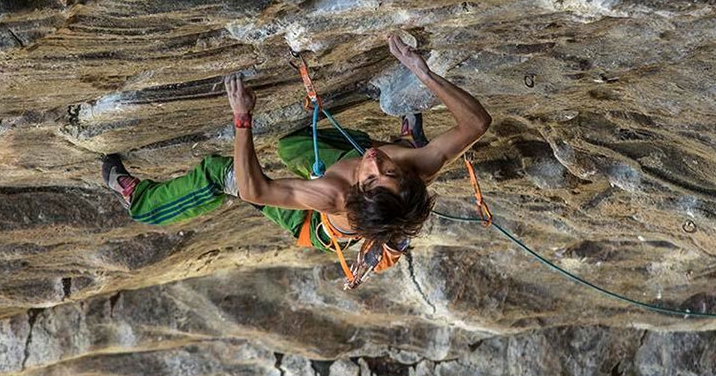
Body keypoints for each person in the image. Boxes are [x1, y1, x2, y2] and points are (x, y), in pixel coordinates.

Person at [102, 34, 492, 288]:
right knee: (292, 145)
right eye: (387, 170)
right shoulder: (413, 169)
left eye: (371, 177)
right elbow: (476, 122)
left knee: (220, 174)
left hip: (311, 224)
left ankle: (142, 203)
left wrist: (243, 119)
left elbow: (256, 189)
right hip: (379, 192)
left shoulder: (331, 195)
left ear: (358, 192)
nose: (374, 163)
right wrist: (420, 70)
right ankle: (407, 140)